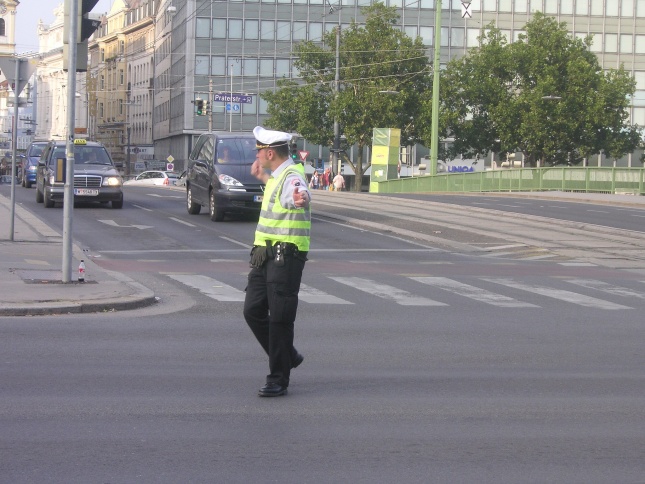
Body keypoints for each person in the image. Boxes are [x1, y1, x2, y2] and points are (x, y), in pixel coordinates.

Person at [243, 126, 312, 397]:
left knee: (280, 319)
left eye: (259, 151)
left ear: (269, 152)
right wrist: (262, 177)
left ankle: (278, 379)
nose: (257, 155)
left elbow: (299, 195)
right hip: (265, 255)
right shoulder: (277, 175)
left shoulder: (293, 176)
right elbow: (277, 193)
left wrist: (301, 199)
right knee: (253, 310)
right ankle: (288, 355)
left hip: (287, 254)